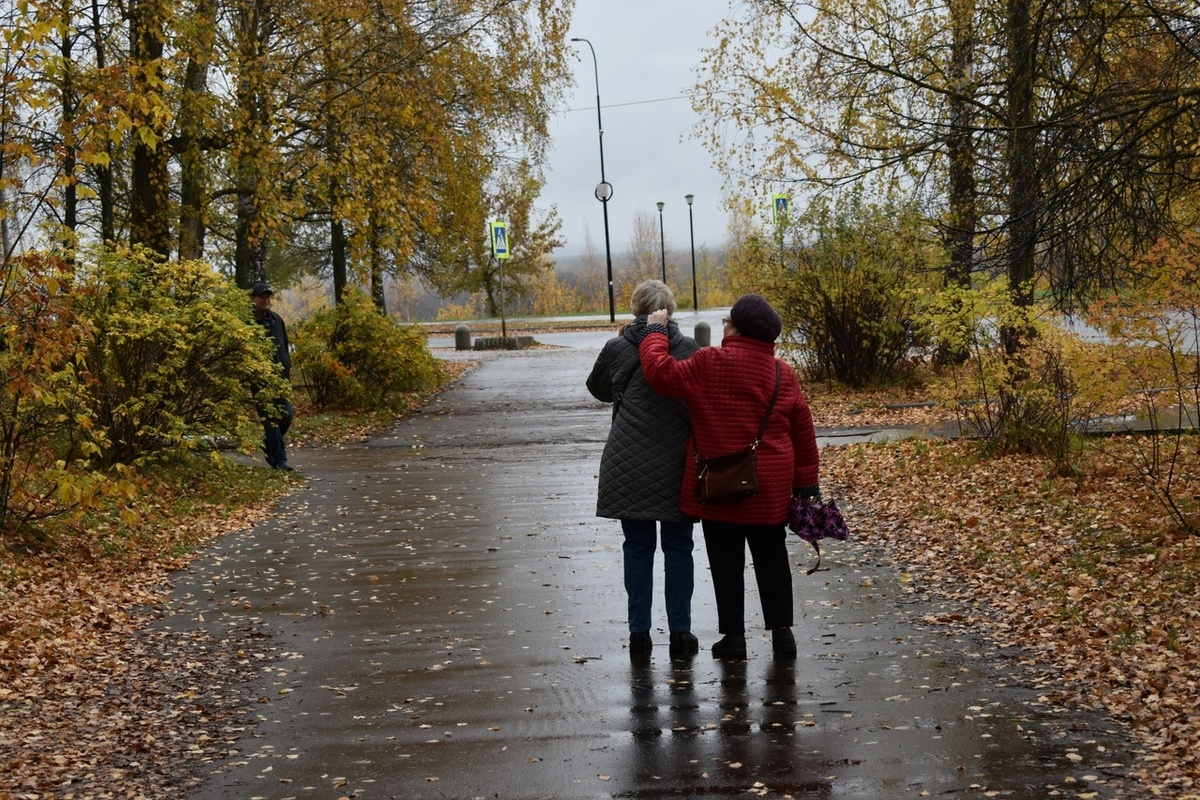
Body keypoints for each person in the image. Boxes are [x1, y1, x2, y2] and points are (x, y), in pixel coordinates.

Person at [641, 294, 820, 660]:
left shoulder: (709, 362)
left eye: (729, 320)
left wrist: (656, 332)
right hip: (770, 486)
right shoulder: (782, 373)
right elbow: (803, 430)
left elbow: (661, 373)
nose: (724, 323)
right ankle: (782, 634)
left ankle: (734, 638)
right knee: (772, 558)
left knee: (726, 562)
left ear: (740, 328)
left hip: (720, 484)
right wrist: (806, 482)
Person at [587, 280, 702, 658]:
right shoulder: (688, 349)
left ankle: (639, 635)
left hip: (628, 463)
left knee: (637, 548)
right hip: (676, 465)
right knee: (679, 547)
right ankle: (681, 633)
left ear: (636, 308)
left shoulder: (617, 347)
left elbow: (599, 389)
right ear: (670, 309)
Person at [250, 281, 295, 471]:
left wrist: (287, 367)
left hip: (281, 378)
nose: (265, 300)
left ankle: (268, 444)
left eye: (268, 296)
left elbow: (284, 345)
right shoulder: (250, 321)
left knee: (287, 415)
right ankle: (280, 461)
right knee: (272, 420)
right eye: (262, 296)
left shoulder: (277, 320)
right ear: (254, 299)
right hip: (262, 380)